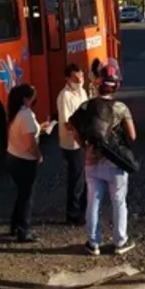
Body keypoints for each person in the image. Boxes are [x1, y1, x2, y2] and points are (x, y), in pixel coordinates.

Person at [73, 64, 137, 256]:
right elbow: (132, 136)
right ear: (116, 86)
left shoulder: (86, 106)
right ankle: (120, 242)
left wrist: (85, 145)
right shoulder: (120, 107)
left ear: (98, 84)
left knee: (93, 201)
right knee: (119, 202)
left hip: (91, 161)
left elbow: (73, 128)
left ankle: (93, 243)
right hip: (115, 162)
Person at [5, 83, 45, 243]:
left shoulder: (16, 113)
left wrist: (40, 127)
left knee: (21, 194)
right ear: (25, 100)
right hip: (25, 161)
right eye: (32, 99)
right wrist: (39, 155)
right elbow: (30, 144)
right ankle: (23, 230)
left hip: (13, 157)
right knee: (27, 196)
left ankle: (15, 225)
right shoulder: (26, 115)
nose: (34, 101)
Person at [57, 63, 90, 225]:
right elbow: (67, 123)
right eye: (75, 78)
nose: (79, 80)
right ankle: (72, 213)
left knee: (86, 178)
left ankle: (84, 210)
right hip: (73, 145)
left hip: (83, 142)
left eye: (81, 77)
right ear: (67, 79)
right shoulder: (65, 96)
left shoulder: (82, 92)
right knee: (76, 179)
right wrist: (80, 139)